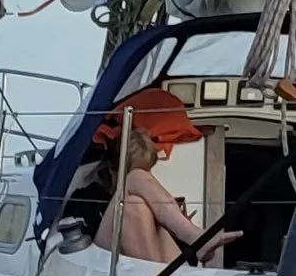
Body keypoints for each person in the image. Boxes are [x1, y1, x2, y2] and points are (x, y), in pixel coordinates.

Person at [92, 94, 239, 267]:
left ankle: (190, 243)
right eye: (132, 170)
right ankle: (195, 236)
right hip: (101, 262)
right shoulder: (90, 195)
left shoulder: (149, 205)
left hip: (152, 269)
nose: (145, 177)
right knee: (131, 204)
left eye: (147, 170)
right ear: (113, 169)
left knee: (135, 204)